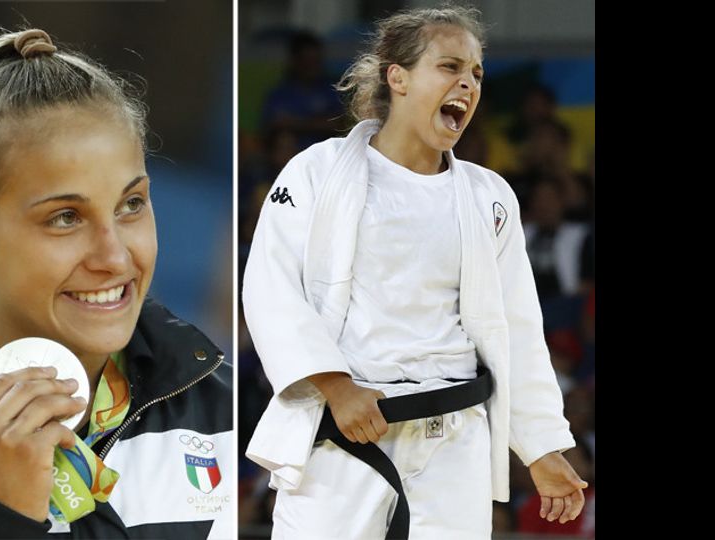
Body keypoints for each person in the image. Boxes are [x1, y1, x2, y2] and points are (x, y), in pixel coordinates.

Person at [242, 5, 586, 539]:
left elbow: (517, 328)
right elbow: (270, 289)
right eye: (450, 67)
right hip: (346, 430)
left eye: (476, 73)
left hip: (453, 438)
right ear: (396, 77)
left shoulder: (488, 197)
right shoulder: (317, 172)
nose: (468, 85)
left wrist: (541, 446)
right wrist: (335, 386)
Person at [0, 28, 233, 539]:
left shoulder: (237, 413)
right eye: (65, 217)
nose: (114, 257)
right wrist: (5, 513)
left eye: (131, 204)